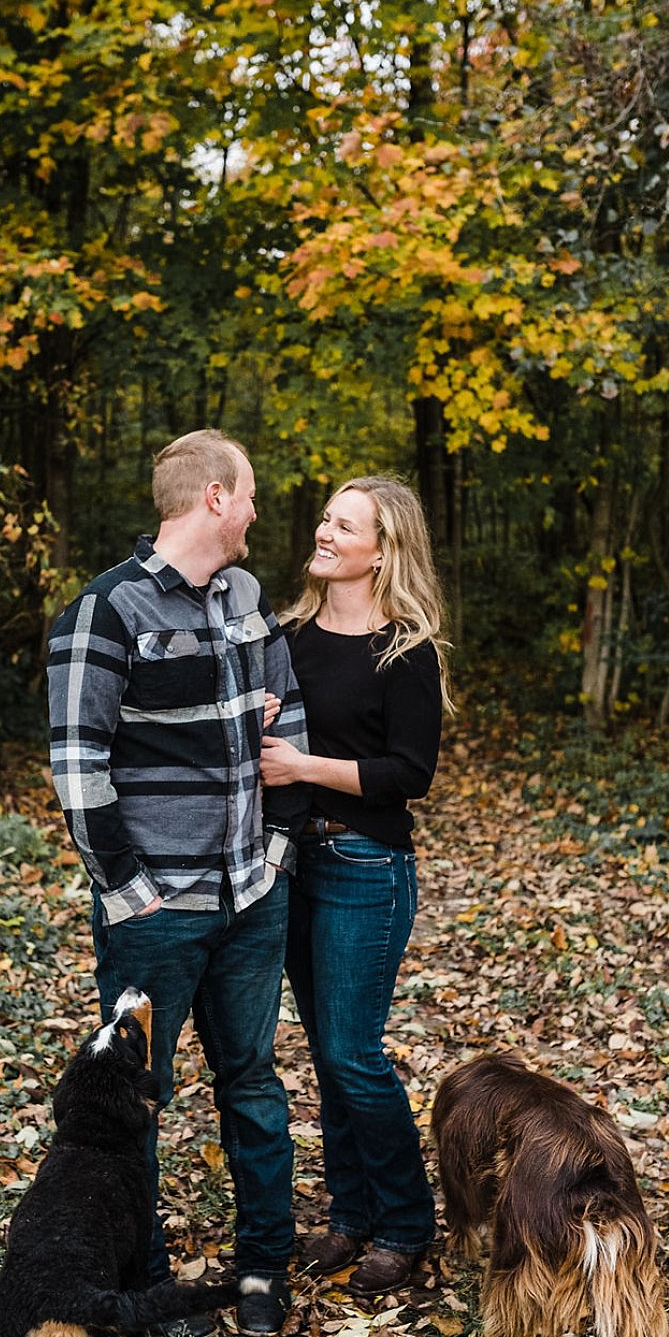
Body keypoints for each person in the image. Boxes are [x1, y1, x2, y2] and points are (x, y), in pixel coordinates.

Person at [47, 430, 310, 1337]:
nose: (255, 512)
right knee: (135, 1107)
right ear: (212, 498)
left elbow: (293, 719)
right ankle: (150, 1286)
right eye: (248, 495)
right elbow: (77, 767)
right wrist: (126, 890)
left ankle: (263, 1270)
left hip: (250, 897)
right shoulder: (106, 611)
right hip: (156, 914)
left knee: (253, 1084)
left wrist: (276, 849)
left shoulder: (246, 595)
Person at [259, 475, 451, 1294]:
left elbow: (411, 773)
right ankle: (350, 1215)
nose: (325, 532)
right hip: (292, 863)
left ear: (384, 549)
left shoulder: (405, 650)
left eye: (345, 524)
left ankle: (406, 1224)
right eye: (326, 519)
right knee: (330, 1058)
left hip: (365, 867)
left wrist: (303, 765)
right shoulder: (290, 635)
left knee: (353, 1052)